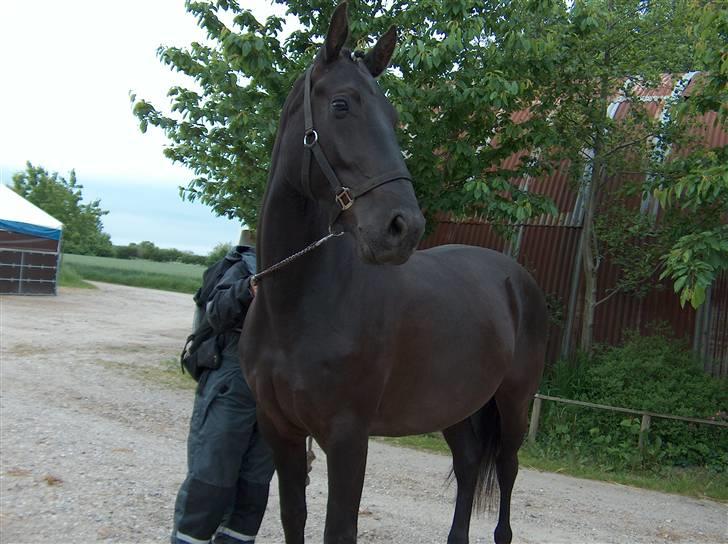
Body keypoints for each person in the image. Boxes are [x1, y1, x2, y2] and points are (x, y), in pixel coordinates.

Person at [172, 240, 274, 544]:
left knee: (254, 485)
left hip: (273, 386)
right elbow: (216, 312)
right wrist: (248, 289)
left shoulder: (307, 275)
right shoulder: (247, 265)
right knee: (212, 476)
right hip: (232, 374)